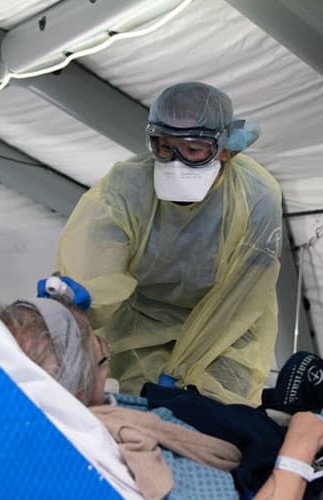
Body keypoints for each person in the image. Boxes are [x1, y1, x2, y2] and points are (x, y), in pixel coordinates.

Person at [55, 81, 283, 405]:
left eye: (193, 150)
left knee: (216, 415)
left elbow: (242, 296)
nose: (176, 162)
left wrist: (186, 369)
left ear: (226, 149)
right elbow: (98, 261)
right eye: (164, 146)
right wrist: (85, 296)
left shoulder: (258, 196)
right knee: (140, 411)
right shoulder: (127, 185)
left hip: (226, 328)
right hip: (143, 324)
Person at [0, 296, 323, 500]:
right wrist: (300, 443)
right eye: (99, 351)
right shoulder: (126, 457)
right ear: (78, 383)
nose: (106, 354)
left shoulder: (104, 416)